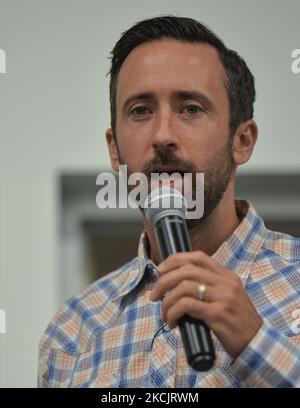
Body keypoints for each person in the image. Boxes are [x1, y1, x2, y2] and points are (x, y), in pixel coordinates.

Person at [38, 16, 300, 388]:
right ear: (114, 149)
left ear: (242, 140)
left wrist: (255, 342)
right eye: (141, 110)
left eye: (191, 108)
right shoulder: (72, 332)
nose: (163, 136)